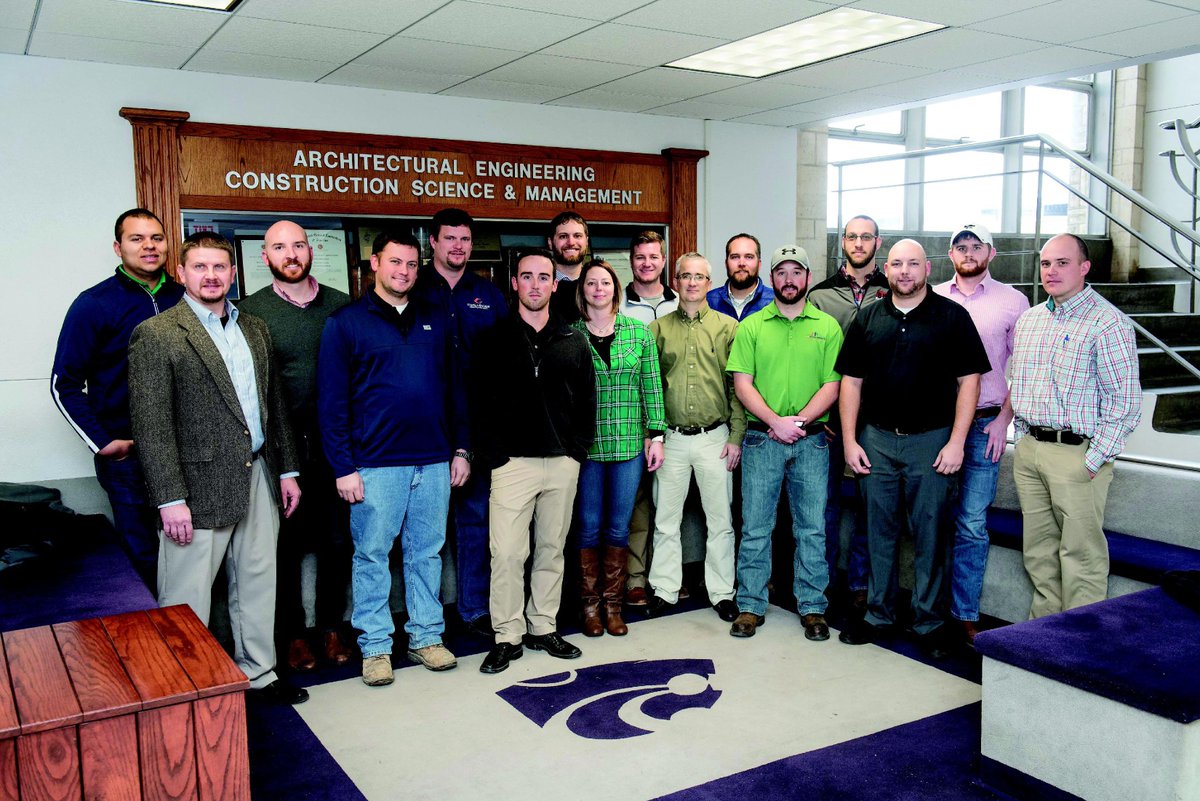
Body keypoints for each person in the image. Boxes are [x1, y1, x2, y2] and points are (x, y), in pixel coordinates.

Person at [128, 231, 306, 705]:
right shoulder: (158, 333)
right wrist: (170, 498)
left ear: (233, 273)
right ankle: (182, 688)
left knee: (256, 582)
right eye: (201, 267)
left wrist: (287, 471)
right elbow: (153, 426)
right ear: (182, 274)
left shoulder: (255, 328)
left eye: (220, 267)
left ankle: (259, 674)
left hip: (258, 476)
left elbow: (275, 406)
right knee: (186, 597)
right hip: (195, 487)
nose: (212, 276)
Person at [318, 230, 470, 687]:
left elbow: (456, 390)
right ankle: (376, 647)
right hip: (375, 465)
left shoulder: (436, 319)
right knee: (372, 555)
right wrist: (343, 466)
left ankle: (425, 637)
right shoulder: (345, 324)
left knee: (427, 553)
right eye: (394, 263)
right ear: (374, 264)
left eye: (410, 264)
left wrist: (460, 449)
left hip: (434, 461)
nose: (403, 272)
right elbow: (331, 402)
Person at [836, 239, 990, 659]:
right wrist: (851, 441)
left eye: (913, 264)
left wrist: (957, 442)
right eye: (898, 264)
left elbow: (969, 382)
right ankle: (878, 616)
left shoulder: (952, 317)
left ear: (927, 268)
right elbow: (850, 382)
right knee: (877, 531)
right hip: (877, 441)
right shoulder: (867, 319)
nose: (905, 271)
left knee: (931, 533)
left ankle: (929, 621)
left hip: (933, 441)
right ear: (886, 269)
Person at [238, 220, 353, 672]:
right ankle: (291, 634)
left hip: (337, 447)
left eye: (299, 245)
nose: (291, 254)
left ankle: (329, 626)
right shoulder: (250, 313)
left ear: (311, 252)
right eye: (280, 247)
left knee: (337, 541)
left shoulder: (342, 307)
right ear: (265, 257)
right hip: (279, 451)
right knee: (283, 545)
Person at [473, 250, 596, 674]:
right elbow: (478, 403)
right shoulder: (493, 337)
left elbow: (587, 403)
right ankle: (507, 635)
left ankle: (543, 625)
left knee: (551, 549)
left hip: (561, 462)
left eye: (544, 277)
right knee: (506, 554)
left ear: (554, 284)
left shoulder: (573, 338)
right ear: (515, 283)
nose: (536, 285)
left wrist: (577, 451)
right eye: (527, 277)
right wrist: (494, 457)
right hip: (513, 466)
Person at [51, 208, 185, 591]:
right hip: (129, 456)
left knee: (190, 549)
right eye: (137, 239)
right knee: (141, 552)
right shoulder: (94, 303)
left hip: (187, 450)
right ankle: (151, 645)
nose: (149, 246)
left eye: (156, 238)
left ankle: (197, 641)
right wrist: (105, 442)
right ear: (118, 247)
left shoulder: (186, 297)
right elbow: (65, 383)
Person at [1010, 233, 1141, 619]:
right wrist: (1023, 439)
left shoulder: (1108, 323)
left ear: (1084, 267)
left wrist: (1093, 459)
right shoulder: (1030, 320)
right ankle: (1041, 639)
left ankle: (1077, 649)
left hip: (1077, 455)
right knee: (1038, 551)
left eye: (1062, 263)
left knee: (1081, 556)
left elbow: (1126, 403)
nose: (1051, 271)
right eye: (1046, 263)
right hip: (1031, 450)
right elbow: (1021, 383)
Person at [726, 246, 843, 641]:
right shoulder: (753, 326)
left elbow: (833, 384)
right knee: (756, 526)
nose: (789, 279)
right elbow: (743, 384)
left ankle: (812, 607)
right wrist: (776, 422)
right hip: (762, 439)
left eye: (797, 272)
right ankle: (750, 606)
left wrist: (800, 422)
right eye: (782, 272)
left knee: (811, 528)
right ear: (771, 278)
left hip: (811, 443)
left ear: (808, 278)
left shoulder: (827, 327)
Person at [932, 224, 1029, 642]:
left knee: (972, 522)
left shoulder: (1014, 301)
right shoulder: (932, 296)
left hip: (985, 424)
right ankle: (929, 609)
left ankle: (964, 614)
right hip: (936, 424)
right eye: (960, 246)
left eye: (976, 246)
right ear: (950, 255)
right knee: (930, 519)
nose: (968, 252)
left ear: (991, 252)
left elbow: (1022, 368)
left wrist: (1003, 420)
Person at [414, 208, 507, 639]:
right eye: (449, 238)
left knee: (475, 523)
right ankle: (425, 622)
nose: (457, 247)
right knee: (423, 533)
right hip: (424, 425)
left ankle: (472, 611)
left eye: (465, 239)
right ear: (431, 241)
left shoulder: (488, 294)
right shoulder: (412, 288)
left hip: (479, 426)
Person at [647, 253, 744, 622]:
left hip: (714, 438)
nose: (691, 283)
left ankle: (722, 592)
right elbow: (651, 388)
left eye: (699, 277)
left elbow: (737, 387)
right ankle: (665, 590)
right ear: (675, 280)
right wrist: (652, 435)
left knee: (720, 520)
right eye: (685, 276)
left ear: (709, 282)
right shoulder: (657, 329)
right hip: (670, 439)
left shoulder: (727, 328)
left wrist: (735, 436)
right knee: (665, 520)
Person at [572, 259, 667, 637]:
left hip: (628, 445)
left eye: (605, 283)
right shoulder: (571, 335)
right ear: (583, 292)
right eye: (591, 283)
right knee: (588, 527)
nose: (598, 289)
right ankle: (590, 608)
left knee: (618, 527)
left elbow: (652, 386)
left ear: (616, 289)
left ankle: (614, 607)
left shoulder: (638, 333)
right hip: (587, 449)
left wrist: (656, 433)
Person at [808, 214, 890, 611]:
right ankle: (819, 582)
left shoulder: (893, 291)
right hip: (828, 422)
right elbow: (808, 360)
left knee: (866, 505)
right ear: (842, 242)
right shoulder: (821, 294)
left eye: (866, 237)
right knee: (824, 505)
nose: (859, 244)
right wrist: (817, 415)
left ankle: (859, 584)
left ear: (878, 242)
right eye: (852, 237)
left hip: (875, 420)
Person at [618, 231, 679, 607]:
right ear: (632, 260)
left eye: (653, 256)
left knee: (672, 505)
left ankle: (668, 577)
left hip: (681, 420)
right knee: (639, 504)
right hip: (638, 423)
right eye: (640, 257)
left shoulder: (681, 300)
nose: (647, 263)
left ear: (663, 259)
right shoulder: (619, 304)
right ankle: (636, 579)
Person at [707, 233, 774, 321]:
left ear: (759, 264)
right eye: (735, 257)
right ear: (726, 264)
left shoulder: (775, 301)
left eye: (749, 257)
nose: (741, 263)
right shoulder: (708, 301)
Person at [548, 211, 590, 324]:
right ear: (550, 242)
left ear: (586, 241)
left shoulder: (599, 285)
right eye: (563, 236)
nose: (571, 242)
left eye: (577, 236)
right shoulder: (541, 286)